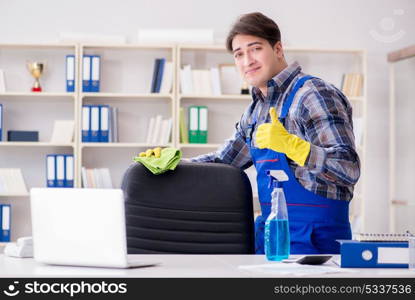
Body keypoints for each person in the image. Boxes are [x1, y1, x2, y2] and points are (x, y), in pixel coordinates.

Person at [143, 12, 360, 254]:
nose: (247, 60)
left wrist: (295, 147)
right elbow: (224, 161)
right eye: (239, 54)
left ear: (278, 49)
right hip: (272, 243)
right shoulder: (256, 110)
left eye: (255, 49)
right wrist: (172, 162)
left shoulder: (314, 94)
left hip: (318, 250)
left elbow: (348, 169)